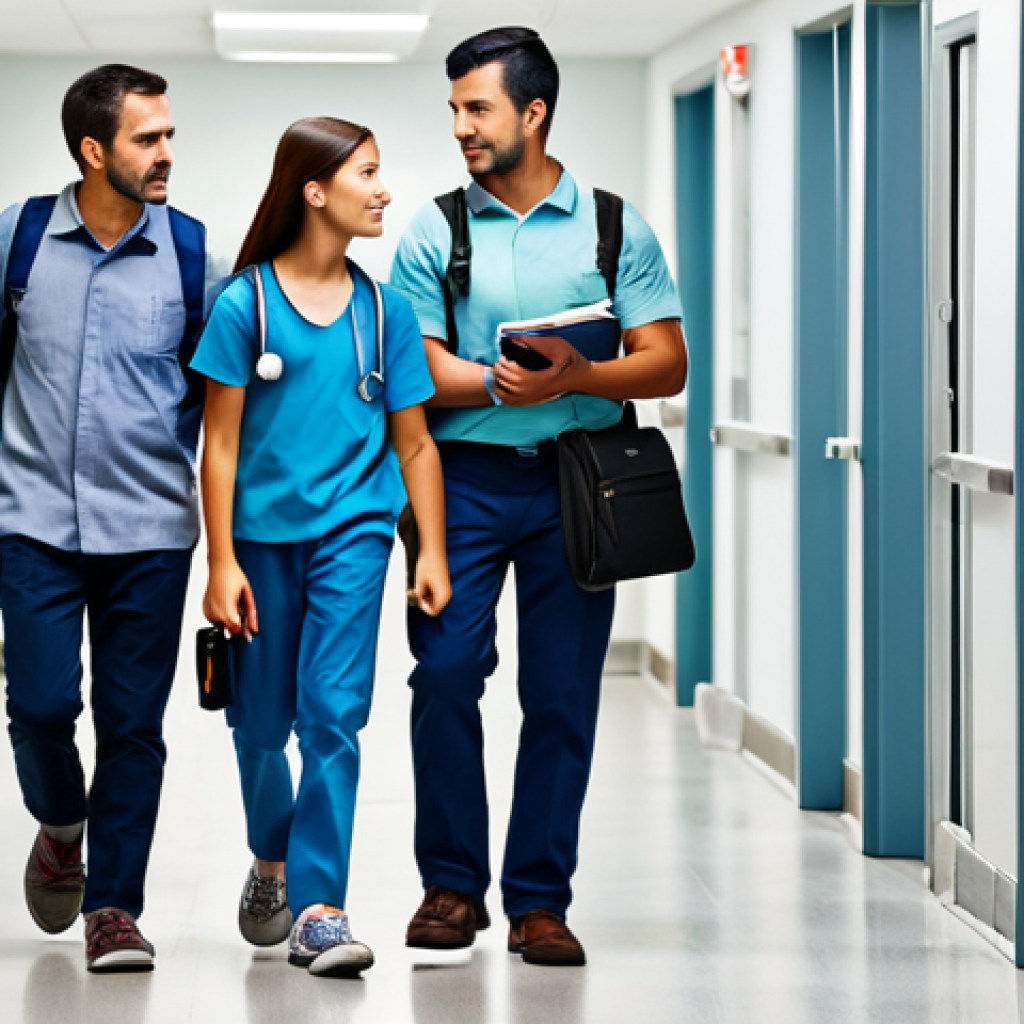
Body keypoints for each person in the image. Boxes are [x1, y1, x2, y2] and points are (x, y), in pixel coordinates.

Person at [390, 27, 687, 968]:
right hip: (462, 483)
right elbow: (418, 372)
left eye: (477, 109)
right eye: (455, 112)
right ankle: (450, 886)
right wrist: (502, 382)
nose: (462, 129)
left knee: (560, 694)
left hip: (577, 484)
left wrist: (575, 377)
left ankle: (539, 902)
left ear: (533, 111)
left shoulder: (612, 225)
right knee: (443, 674)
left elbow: (666, 362)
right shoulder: (435, 229)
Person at [192, 117, 447, 979]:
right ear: (314, 190)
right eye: (367, 175)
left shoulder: (387, 312)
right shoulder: (246, 305)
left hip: (355, 535)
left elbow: (414, 444)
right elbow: (219, 445)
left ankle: (320, 909)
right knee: (259, 728)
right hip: (260, 547)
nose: (382, 191)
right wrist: (219, 560)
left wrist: (431, 552)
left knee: (333, 718)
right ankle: (272, 858)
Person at [0, 65, 209, 973]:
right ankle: (61, 822)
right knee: (40, 707)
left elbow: (219, 397)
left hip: (153, 534)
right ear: (94, 151)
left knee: (134, 727)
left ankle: (115, 908)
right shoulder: (17, 241)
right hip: (32, 519)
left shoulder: (196, 253)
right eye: (147, 138)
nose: (167, 153)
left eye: (169, 134)